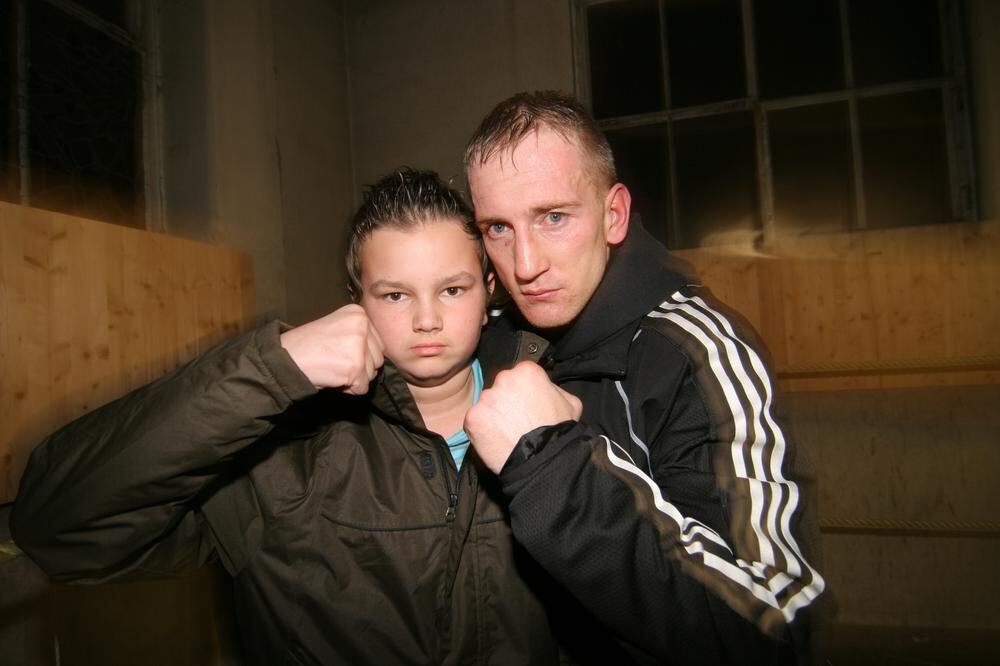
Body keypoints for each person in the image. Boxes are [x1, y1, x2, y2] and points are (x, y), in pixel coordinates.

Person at [11, 168, 568, 665]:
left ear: (488, 289)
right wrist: (270, 369)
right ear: (357, 300)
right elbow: (56, 526)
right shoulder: (284, 451)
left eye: (451, 289)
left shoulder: (559, 411)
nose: (426, 319)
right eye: (395, 295)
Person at [463, 91, 828, 665]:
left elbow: (775, 624)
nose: (525, 263)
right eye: (498, 229)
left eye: (553, 217)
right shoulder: (495, 336)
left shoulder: (697, 352)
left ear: (613, 215)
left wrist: (551, 462)